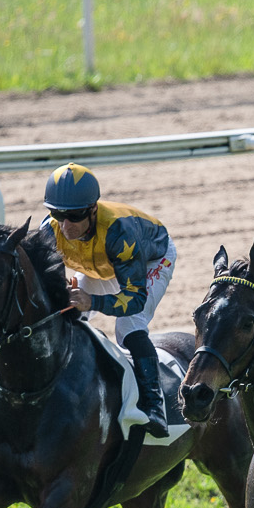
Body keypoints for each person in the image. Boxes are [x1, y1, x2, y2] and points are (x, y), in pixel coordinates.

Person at [44, 162, 174, 438]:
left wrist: (93, 301)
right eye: (57, 214)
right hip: (100, 264)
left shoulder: (119, 231)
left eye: (74, 216)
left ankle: (155, 406)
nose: (66, 226)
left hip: (150, 261)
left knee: (129, 327)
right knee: (67, 315)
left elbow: (134, 298)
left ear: (93, 209)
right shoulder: (49, 229)